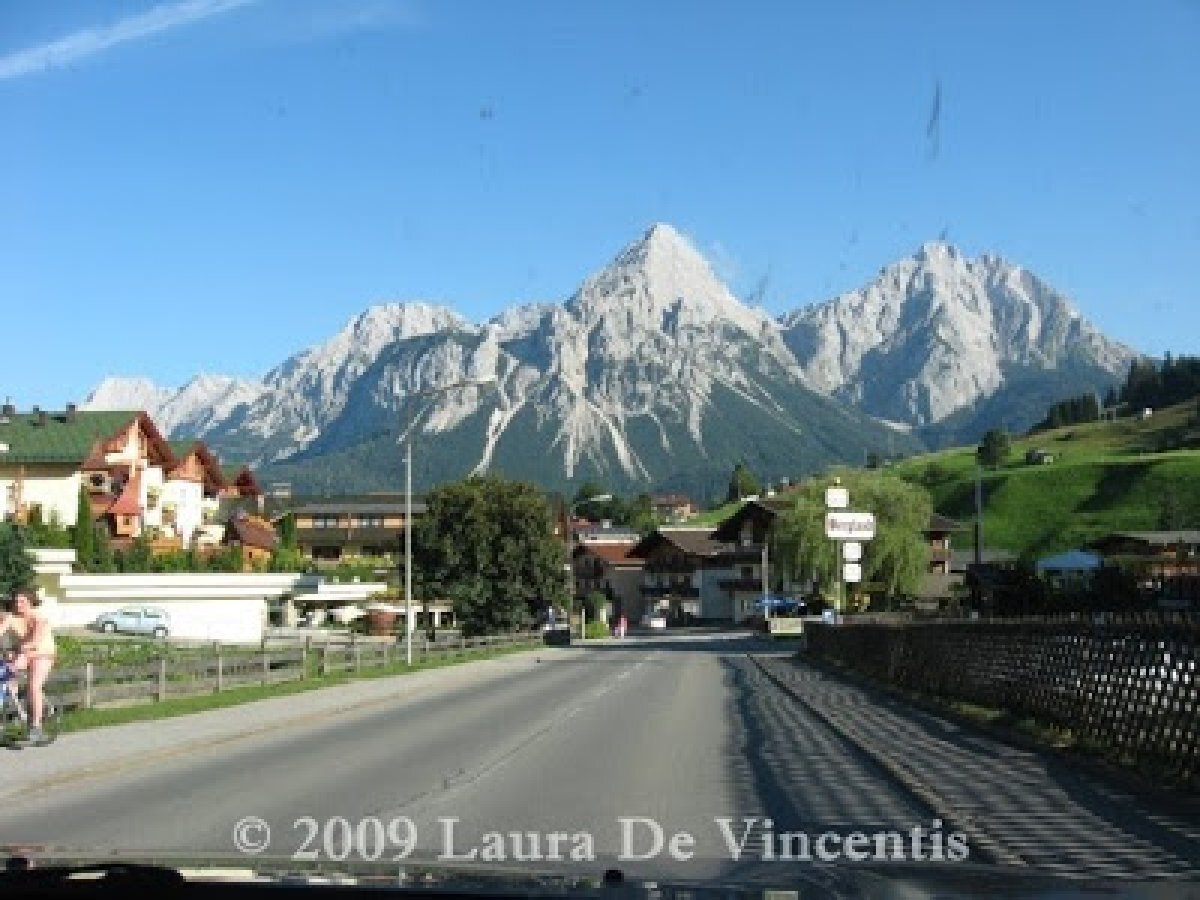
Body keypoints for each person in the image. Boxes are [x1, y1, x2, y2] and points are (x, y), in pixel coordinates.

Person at [0, 589, 56, 744]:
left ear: (30, 602)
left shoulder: (39, 618)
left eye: (22, 601)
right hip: (25, 653)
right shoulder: (12, 617)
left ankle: (36, 728)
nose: (19, 604)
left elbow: (36, 642)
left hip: (43, 654)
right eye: (16, 601)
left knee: (34, 686)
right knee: (6, 674)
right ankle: (17, 711)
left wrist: (19, 649)